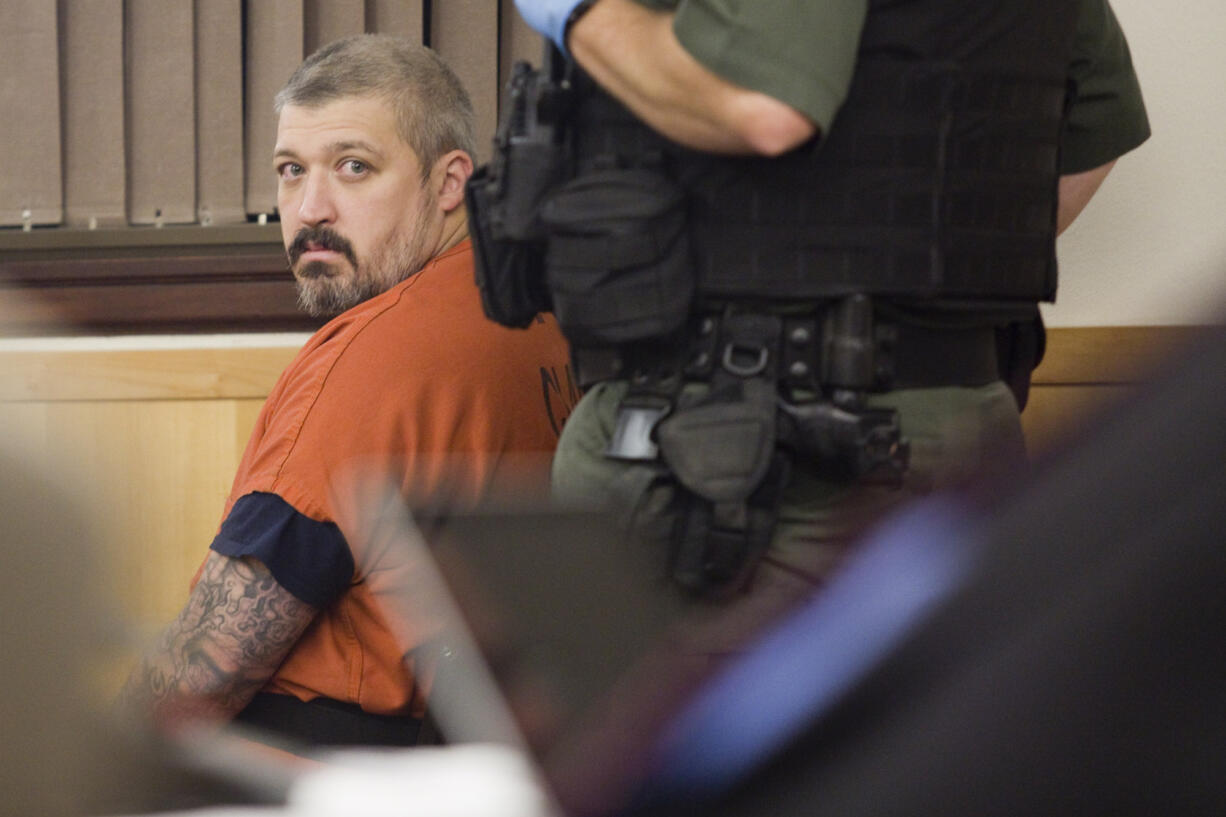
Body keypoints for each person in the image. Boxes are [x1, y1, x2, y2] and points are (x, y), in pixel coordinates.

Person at [489, 0, 1150, 641]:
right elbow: (1093, 127)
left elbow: (764, 108)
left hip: (741, 456)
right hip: (945, 420)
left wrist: (582, 13)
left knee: (654, 744)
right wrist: (918, 281)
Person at [118, 34, 578, 749]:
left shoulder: (375, 354)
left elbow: (209, 664)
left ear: (450, 182)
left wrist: (87, 776)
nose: (311, 209)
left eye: (354, 168)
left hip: (331, 762)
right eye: (290, 171)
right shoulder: (540, 315)